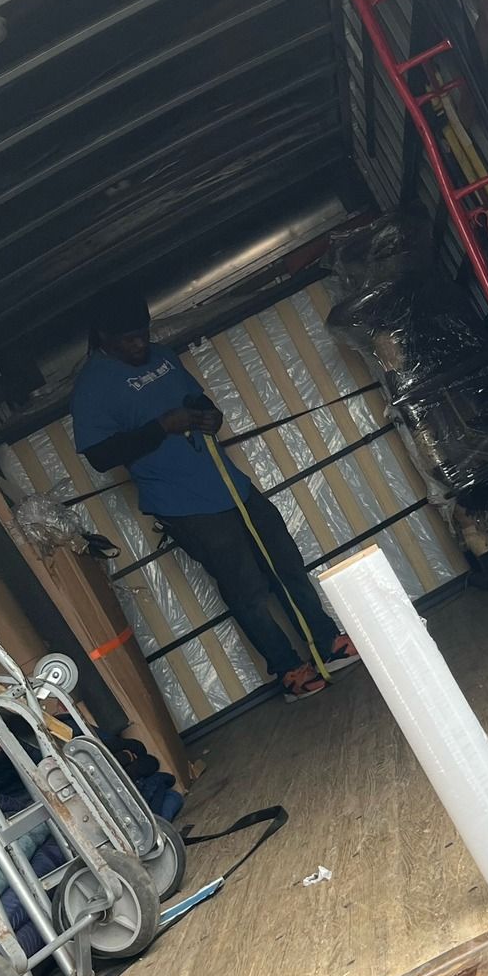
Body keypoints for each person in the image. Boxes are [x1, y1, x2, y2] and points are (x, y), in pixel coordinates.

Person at [71, 286, 359, 701]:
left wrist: (210, 415)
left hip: (230, 485)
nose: (139, 345)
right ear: (103, 337)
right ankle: (288, 669)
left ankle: (326, 642)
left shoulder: (164, 357)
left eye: (143, 334)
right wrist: (161, 428)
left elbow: (197, 398)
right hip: (185, 506)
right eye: (128, 339)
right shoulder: (92, 388)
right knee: (247, 589)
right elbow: (100, 456)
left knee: (286, 564)